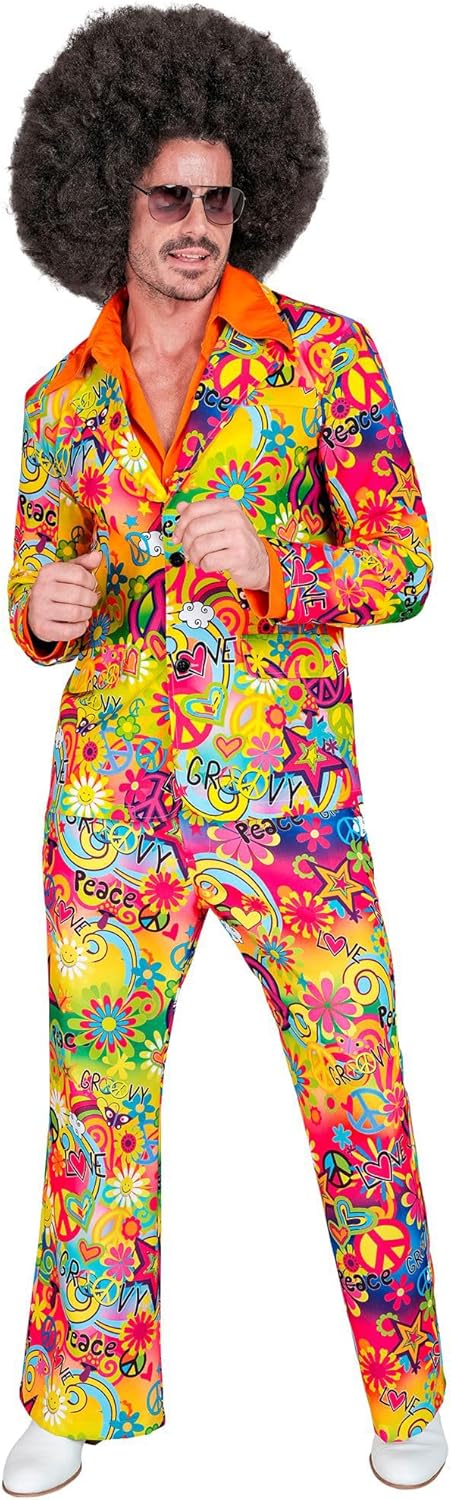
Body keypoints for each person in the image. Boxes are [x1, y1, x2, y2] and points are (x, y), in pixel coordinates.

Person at [3, 5, 447, 1493]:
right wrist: (38, 612)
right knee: (96, 1103)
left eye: (219, 197)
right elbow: (38, 577)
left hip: (291, 811)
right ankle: (77, 1398)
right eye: (168, 198)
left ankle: (410, 1398)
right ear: (104, 202)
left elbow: (405, 564)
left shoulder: (323, 359)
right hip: (111, 812)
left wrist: (281, 565)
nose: (199, 226)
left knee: (358, 1089)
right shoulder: (58, 405)